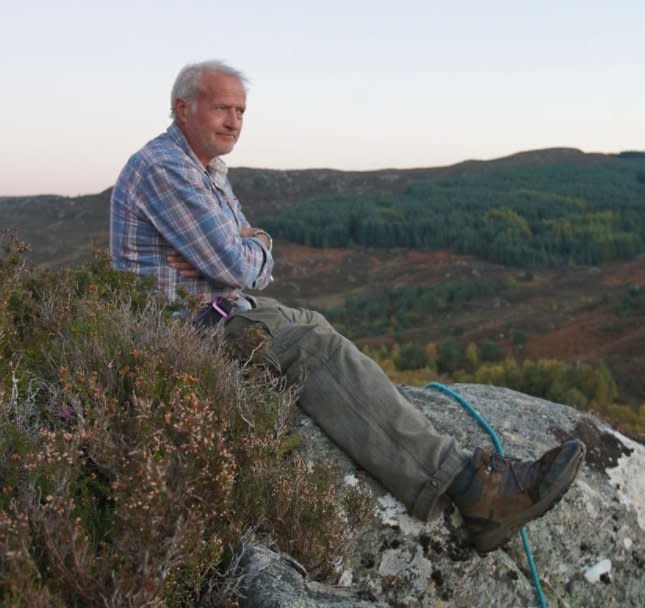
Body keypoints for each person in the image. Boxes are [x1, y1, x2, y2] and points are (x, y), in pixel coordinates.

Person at [110, 60, 585, 553]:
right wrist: (257, 243)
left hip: (221, 310)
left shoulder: (204, 171)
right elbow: (239, 263)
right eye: (222, 108)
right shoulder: (164, 168)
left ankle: (452, 467)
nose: (233, 122)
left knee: (314, 324)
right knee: (310, 346)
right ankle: (472, 490)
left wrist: (253, 246)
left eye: (241, 111)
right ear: (182, 108)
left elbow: (255, 265)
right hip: (184, 330)